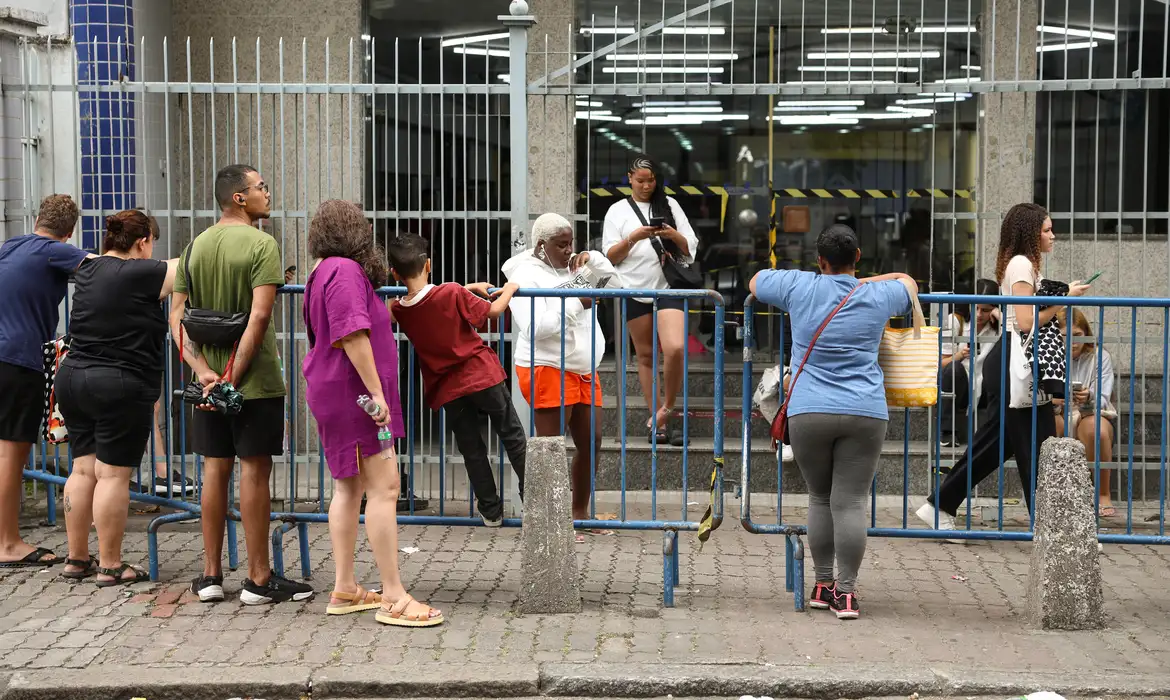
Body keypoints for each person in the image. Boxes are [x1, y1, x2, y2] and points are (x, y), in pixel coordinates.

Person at [750, 224, 916, 621]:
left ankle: (822, 586)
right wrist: (863, 280)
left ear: (819, 260)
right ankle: (847, 594)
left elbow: (755, 281)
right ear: (857, 257)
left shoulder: (798, 285)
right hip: (865, 411)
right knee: (851, 502)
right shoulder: (877, 293)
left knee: (820, 498)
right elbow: (909, 283)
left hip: (810, 410)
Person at [171, 164, 312, 605]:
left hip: (207, 383)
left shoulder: (194, 246)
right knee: (254, 471)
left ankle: (211, 577)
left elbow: (175, 317)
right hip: (255, 383)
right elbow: (260, 315)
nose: (267, 194)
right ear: (238, 197)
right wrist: (233, 376)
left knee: (215, 469)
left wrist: (201, 371)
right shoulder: (262, 244)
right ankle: (258, 578)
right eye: (260, 187)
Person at [303, 201, 442, 627]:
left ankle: (345, 587)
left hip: (334, 389)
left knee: (347, 488)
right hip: (355, 394)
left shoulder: (321, 270)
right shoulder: (344, 270)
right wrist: (377, 394)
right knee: (384, 487)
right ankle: (394, 596)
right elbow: (352, 334)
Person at [917, 203, 1090, 533]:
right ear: (1030, 232)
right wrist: (1065, 297)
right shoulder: (1022, 265)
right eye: (1046, 230)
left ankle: (939, 504)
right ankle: (1054, 532)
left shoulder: (1021, 264)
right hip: (1016, 363)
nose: (1052, 235)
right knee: (1038, 449)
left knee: (999, 445)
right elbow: (1027, 321)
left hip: (1013, 362)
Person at [56, 211, 178, 584]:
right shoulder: (140, 272)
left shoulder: (88, 269)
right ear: (142, 242)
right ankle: (110, 564)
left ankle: (77, 559)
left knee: (81, 469)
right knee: (111, 475)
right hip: (118, 383)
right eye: (150, 244)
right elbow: (190, 264)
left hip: (73, 377)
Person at [387, 233, 524, 527]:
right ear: (430, 265)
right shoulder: (451, 293)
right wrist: (510, 288)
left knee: (471, 447)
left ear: (394, 273)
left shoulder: (398, 308)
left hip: (447, 388)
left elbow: (425, 299)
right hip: (481, 374)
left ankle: (491, 511)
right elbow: (494, 311)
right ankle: (534, 503)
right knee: (512, 436)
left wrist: (467, 288)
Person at [503, 213, 620, 541]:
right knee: (550, 449)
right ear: (541, 245)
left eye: (571, 242)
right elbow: (535, 326)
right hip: (547, 366)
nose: (569, 249)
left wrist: (593, 261)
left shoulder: (574, 264)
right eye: (561, 244)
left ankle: (578, 514)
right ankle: (549, 523)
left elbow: (619, 283)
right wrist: (577, 303)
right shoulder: (524, 273)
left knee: (592, 442)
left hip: (582, 367)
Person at [0, 195, 91, 568]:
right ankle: (7, 543)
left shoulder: (11, 246)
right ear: (68, 233)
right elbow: (104, 268)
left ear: (38, 219)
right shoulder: (55, 251)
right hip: (18, 359)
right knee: (10, 454)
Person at [603, 154, 700, 446]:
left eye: (652, 180)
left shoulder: (670, 206)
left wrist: (671, 233)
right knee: (644, 356)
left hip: (668, 287)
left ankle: (666, 408)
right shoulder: (617, 211)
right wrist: (633, 238)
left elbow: (689, 248)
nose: (647, 186)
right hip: (633, 289)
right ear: (629, 178)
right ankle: (656, 421)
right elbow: (610, 257)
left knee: (675, 347)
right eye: (641, 180)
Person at [1054, 309, 1118, 517]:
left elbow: (1104, 398)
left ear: (1086, 334)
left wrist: (1089, 396)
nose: (1071, 342)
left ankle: (1102, 493)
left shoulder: (1100, 357)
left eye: (1077, 336)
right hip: (1060, 412)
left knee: (1095, 430)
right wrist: (1055, 400)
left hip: (1092, 412)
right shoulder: (1049, 355)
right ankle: (1055, 494)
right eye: (1064, 336)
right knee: (1051, 425)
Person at [938, 279, 1001, 447]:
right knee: (953, 369)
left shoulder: (1000, 327)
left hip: (986, 388)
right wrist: (960, 355)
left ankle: (999, 434)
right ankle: (947, 431)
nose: (979, 314)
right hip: (961, 387)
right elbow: (940, 365)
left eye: (986, 310)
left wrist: (1001, 318)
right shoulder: (955, 322)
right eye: (976, 307)